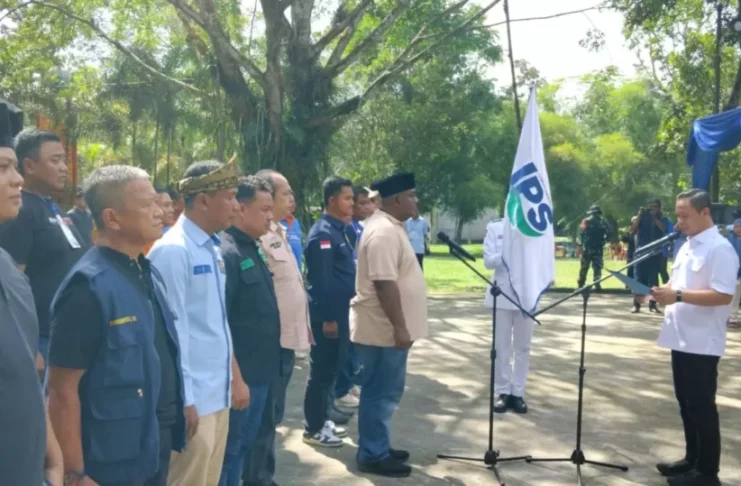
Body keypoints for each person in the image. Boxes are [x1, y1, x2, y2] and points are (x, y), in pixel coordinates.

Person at [47, 166, 186, 486]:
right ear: (112, 218)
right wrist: (75, 472)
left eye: (158, 202)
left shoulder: (144, 271)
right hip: (109, 461)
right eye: (147, 204)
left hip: (151, 440)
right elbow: (61, 389)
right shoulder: (88, 287)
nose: (160, 211)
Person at [149, 160, 249, 486]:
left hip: (216, 394)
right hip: (194, 401)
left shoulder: (211, 247)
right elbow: (172, 333)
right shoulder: (174, 251)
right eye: (230, 197)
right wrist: (185, 399)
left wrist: (234, 379)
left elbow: (216, 324)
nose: (236, 205)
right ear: (204, 200)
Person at [651, 189, 738, 486]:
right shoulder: (687, 246)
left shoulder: (719, 248)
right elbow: (677, 284)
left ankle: (707, 473)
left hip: (702, 342)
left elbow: (723, 295)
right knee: (686, 403)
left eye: (685, 215)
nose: (679, 222)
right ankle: (692, 459)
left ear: (705, 213)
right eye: (678, 215)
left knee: (701, 405)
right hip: (679, 336)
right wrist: (662, 292)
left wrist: (676, 295)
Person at [0, 99, 63, 486]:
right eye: (2, 168)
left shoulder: (9, 268)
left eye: (14, 167)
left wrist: (51, 450)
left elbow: (24, 371)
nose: (17, 180)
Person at [350, 172, 427, 478]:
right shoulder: (382, 232)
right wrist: (400, 328)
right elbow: (384, 285)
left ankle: (378, 444)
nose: (415, 201)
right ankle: (372, 454)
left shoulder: (391, 227)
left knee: (385, 391)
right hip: (383, 330)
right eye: (411, 195)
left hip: (387, 330)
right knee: (379, 393)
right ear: (396, 200)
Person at [0, 129, 86, 362]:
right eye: (55, 160)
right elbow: (12, 284)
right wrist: (29, 345)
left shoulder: (53, 207)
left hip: (69, 333)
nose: (64, 168)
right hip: (43, 338)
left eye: (63, 160)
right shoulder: (19, 211)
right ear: (29, 166)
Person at [253, 170, 316, 483]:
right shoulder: (259, 238)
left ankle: (264, 474)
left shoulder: (280, 231)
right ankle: (258, 478)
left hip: (287, 341)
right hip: (271, 342)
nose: (292, 199)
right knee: (263, 418)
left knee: (273, 414)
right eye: (285, 193)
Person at [219, 176, 280, 486]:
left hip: (261, 371)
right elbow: (221, 321)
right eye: (264, 209)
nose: (271, 217)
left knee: (244, 446)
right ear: (241, 209)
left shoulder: (252, 247)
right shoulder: (227, 252)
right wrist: (235, 378)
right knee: (229, 452)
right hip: (241, 375)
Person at [302, 176, 356, 448]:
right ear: (332, 200)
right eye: (347, 198)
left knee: (332, 370)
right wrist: (329, 319)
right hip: (329, 319)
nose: (352, 203)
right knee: (321, 373)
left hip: (342, 314)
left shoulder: (340, 230)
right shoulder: (323, 234)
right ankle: (313, 427)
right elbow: (321, 282)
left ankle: (323, 419)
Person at [482, 217, 535, 414]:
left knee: (523, 347)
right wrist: (508, 254)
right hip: (501, 293)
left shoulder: (533, 229)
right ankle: (503, 391)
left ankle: (518, 392)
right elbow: (489, 262)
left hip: (527, 293)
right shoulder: (495, 228)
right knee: (501, 346)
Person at [631, 198, 670, 313]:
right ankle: (636, 304)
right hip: (641, 253)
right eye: (650, 206)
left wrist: (654, 218)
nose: (652, 208)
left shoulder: (663, 219)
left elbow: (663, 229)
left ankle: (652, 304)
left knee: (653, 280)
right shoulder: (642, 218)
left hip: (655, 254)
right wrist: (639, 216)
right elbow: (632, 230)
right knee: (638, 279)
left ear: (659, 208)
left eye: (655, 206)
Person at [577, 205, 609, 290]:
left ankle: (583, 283)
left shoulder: (588, 221)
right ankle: (592, 283)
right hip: (594, 248)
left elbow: (580, 234)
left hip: (591, 248)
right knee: (594, 267)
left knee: (588, 267)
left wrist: (580, 245)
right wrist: (605, 240)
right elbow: (609, 232)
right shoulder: (602, 221)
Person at [143, 186, 177, 255]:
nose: (172, 210)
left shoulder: (179, 229)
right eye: (166, 205)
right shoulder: (146, 238)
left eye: (172, 205)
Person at [280, 193, 304, 272]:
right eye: (289, 201)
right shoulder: (278, 223)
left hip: (298, 270)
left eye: (293, 201)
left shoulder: (296, 222)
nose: (292, 204)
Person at [726, 218, 741, 326]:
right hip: (733, 273)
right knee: (733, 296)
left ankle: (733, 317)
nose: (738, 229)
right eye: (736, 226)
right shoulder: (729, 240)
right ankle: (731, 318)